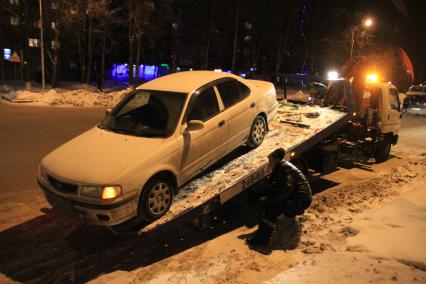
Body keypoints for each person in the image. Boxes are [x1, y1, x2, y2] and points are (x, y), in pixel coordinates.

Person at [246, 148, 312, 248]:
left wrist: (272, 202)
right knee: (272, 207)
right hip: (299, 198)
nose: (269, 163)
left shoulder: (284, 168)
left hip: (300, 200)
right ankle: (264, 236)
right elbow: (275, 186)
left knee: (272, 211)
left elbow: (287, 188)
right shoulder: (281, 167)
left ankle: (261, 242)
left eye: (270, 160)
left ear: (276, 159)